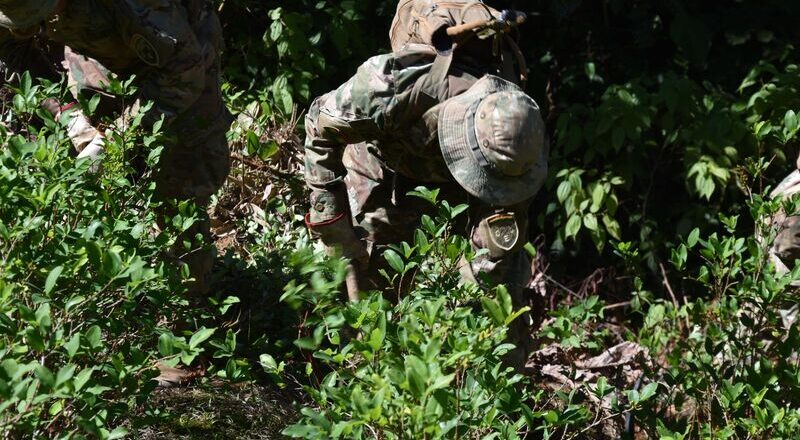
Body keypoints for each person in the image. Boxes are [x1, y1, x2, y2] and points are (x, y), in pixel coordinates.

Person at [303, 42, 548, 368]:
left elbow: (494, 251)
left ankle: (491, 401)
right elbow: (319, 125)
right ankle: (357, 382)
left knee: (500, 304)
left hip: (459, 191)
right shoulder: (392, 88)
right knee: (365, 294)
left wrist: (467, 313)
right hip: (383, 175)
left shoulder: (521, 147)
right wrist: (332, 225)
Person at [0, 0, 232, 296]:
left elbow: (184, 73)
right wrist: (69, 116)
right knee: (98, 184)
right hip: (101, 47)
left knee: (181, 187)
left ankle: (191, 305)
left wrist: (117, 138)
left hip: (180, 54)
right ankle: (123, 296)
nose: (30, 28)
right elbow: (12, 48)